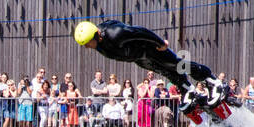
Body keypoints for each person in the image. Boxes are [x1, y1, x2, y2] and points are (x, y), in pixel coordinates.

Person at [74, 19, 220, 102]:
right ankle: (187, 89)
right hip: (139, 58)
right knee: (165, 72)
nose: (87, 47)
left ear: (96, 34)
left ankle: (211, 79)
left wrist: (160, 43)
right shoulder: (98, 43)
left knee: (177, 65)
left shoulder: (115, 33)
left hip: (150, 49)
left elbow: (140, 31)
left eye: (87, 43)